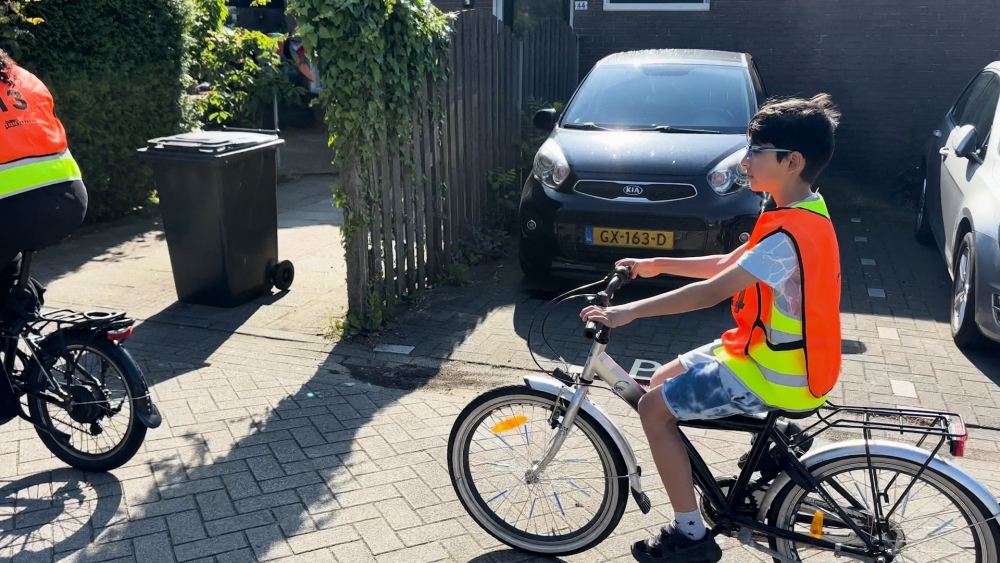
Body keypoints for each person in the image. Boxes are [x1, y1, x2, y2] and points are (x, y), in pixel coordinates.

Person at [581, 94, 842, 563]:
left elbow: (713, 292)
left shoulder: (787, 234)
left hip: (778, 373)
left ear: (792, 161)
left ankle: (691, 538)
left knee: (654, 410)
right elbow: (729, 263)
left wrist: (626, 314)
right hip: (763, 354)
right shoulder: (800, 212)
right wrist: (651, 263)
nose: (744, 162)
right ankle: (752, 467)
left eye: (755, 151)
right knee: (657, 384)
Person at [0, 48, 88, 417]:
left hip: (14, 208)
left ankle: (1, 401)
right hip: (69, 198)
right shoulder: (23, 78)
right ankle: (17, 306)